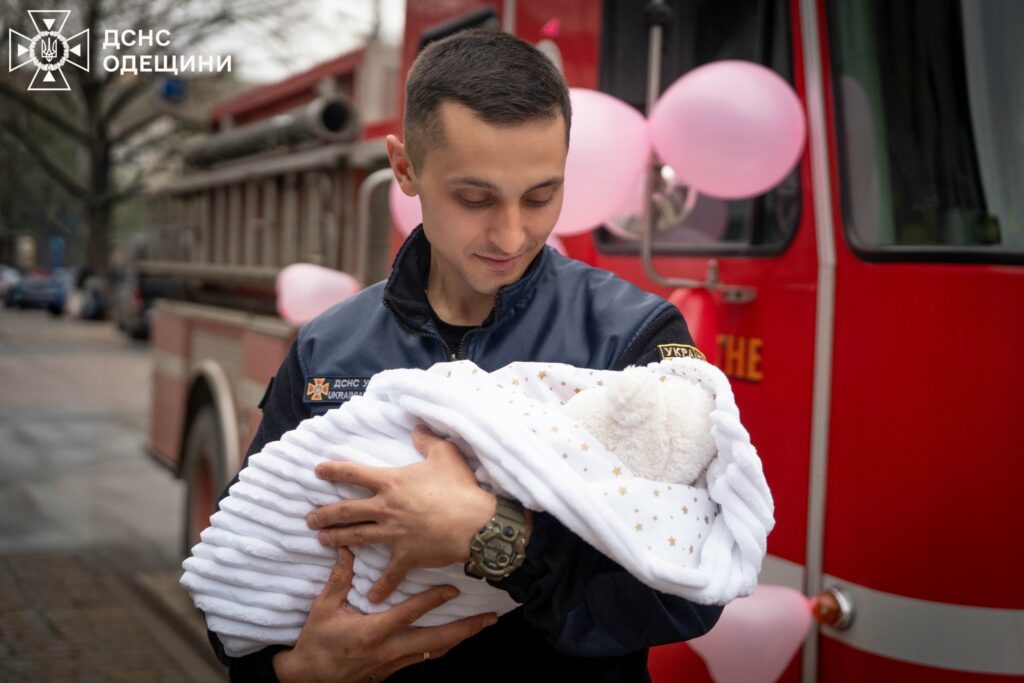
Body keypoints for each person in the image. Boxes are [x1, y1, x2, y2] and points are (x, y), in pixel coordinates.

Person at [206, 28, 722, 682]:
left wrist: (495, 535)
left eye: (541, 195)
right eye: (475, 199)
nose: (511, 234)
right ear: (405, 168)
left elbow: (689, 591)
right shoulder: (325, 345)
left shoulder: (632, 335)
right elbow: (244, 564)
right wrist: (294, 671)